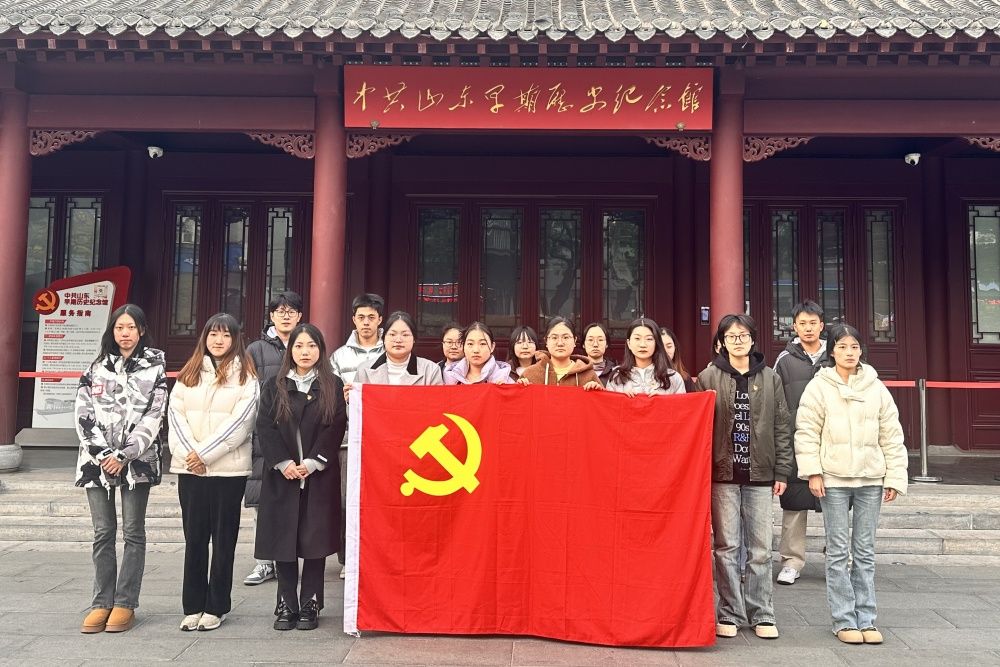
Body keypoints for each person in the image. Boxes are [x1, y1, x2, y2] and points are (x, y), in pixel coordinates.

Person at [795, 323, 908, 646]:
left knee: (865, 551)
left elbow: (891, 434)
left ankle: (866, 618)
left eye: (854, 347)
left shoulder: (876, 387)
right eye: (842, 346)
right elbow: (806, 431)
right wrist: (813, 472)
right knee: (837, 551)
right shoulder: (819, 386)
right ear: (831, 351)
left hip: (871, 478)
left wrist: (895, 476)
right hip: (833, 478)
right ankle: (844, 619)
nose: (849, 352)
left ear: (861, 350)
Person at [697, 313, 792, 640]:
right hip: (722, 474)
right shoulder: (707, 377)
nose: (738, 341)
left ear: (753, 339)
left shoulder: (770, 377)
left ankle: (762, 612)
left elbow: (782, 425)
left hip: (760, 473)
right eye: (731, 336)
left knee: (761, 548)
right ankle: (730, 612)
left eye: (743, 335)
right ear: (721, 342)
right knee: (726, 547)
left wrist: (782, 470)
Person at [75, 304, 168, 634]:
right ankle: (101, 601)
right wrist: (104, 455)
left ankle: (125, 602)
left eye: (130, 327)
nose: (125, 333)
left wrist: (124, 455)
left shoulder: (155, 368)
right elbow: (83, 414)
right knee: (102, 532)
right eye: (119, 328)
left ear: (141, 330)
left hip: (136, 462)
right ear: (112, 331)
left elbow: (154, 416)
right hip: (96, 463)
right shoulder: (96, 367)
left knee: (133, 532)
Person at [168, 313, 259, 632]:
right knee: (194, 539)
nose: (219, 341)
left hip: (228, 472)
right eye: (213, 334)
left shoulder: (246, 377)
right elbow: (175, 417)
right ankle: (192, 605)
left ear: (236, 340)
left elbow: (241, 424)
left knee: (223, 541)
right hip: (190, 471)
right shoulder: (188, 374)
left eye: (226, 335)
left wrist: (204, 455)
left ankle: (216, 606)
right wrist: (191, 456)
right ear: (204, 338)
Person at [255, 324, 346, 631]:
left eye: (311, 346)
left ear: (321, 350)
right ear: (290, 350)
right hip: (283, 476)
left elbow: (336, 426)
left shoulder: (331, 384)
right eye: (299, 346)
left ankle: (310, 602)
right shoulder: (275, 384)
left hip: (317, 476)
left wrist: (312, 462)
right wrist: (283, 463)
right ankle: (286, 602)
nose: (305, 352)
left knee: (314, 541)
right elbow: (265, 427)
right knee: (284, 540)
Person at [243, 291, 303, 587]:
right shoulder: (255, 350)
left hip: (298, 432)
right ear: (271, 316)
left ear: (300, 316)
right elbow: (246, 390)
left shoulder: (306, 343)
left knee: (293, 501)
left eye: (291, 311)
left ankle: (287, 561)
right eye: (280, 311)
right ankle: (264, 562)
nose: (286, 315)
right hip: (263, 432)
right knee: (262, 500)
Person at [330, 292, 385, 579]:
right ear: (353, 319)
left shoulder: (391, 351)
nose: (366, 323)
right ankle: (347, 558)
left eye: (371, 318)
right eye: (361, 317)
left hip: (383, 439)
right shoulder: (340, 356)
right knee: (345, 500)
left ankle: (376, 555)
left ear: (380, 320)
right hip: (347, 439)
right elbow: (329, 395)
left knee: (380, 501)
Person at [773, 300, 826, 586]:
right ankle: (791, 562)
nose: (808, 328)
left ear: (822, 325)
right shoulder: (785, 360)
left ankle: (839, 560)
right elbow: (776, 403)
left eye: (813, 323)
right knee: (794, 503)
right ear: (794, 326)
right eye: (802, 323)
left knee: (836, 502)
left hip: (831, 441)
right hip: (796, 439)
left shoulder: (836, 354)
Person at [354, 311, 443, 386]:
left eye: (405, 335)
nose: (398, 340)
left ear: (414, 339)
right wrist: (349, 398)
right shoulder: (364, 370)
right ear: (384, 339)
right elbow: (356, 401)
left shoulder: (430, 370)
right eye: (392, 334)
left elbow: (437, 401)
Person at [606, 318, 686, 395]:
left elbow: (681, 404)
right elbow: (608, 403)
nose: (643, 345)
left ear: (656, 343)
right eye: (637, 338)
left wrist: (663, 401)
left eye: (649, 339)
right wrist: (622, 400)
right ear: (629, 343)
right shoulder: (616, 376)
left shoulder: (673, 378)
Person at [519, 317, 603, 390]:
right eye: (554, 337)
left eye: (566, 337)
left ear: (574, 341)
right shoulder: (531, 374)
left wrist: (597, 392)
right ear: (546, 341)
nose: (560, 343)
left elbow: (603, 402)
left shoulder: (588, 376)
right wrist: (520, 387)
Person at [444, 321, 514, 385]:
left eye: (482, 344)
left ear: (492, 347)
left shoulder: (503, 378)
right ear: (463, 346)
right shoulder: (450, 377)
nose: (476, 350)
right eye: (470, 344)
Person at [660, 326, 698, 392]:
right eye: (660, 347)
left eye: (669, 346)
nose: (665, 351)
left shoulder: (685, 378)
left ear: (675, 348)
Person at [582, 322, 616, 386]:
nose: (595, 344)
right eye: (590, 340)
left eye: (600, 340)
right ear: (583, 344)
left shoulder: (615, 372)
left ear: (607, 344)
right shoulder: (576, 371)